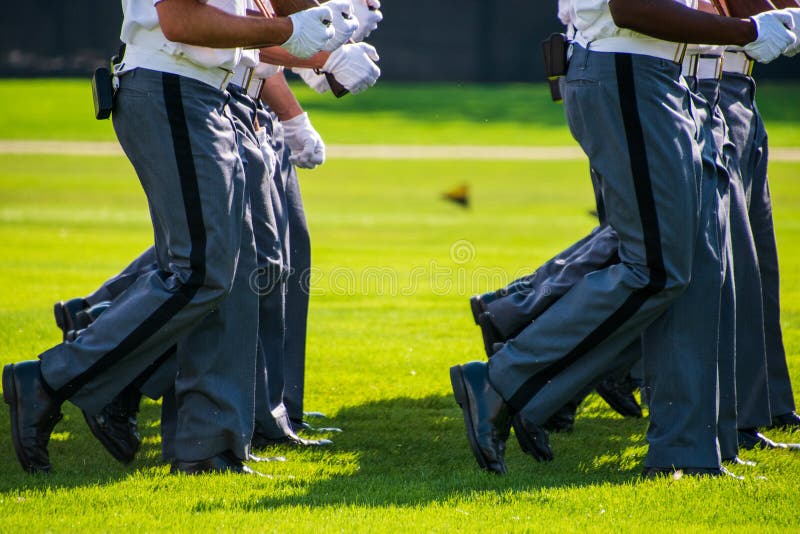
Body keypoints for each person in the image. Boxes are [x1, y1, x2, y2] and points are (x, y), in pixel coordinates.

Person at [449, 0, 796, 476]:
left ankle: (687, 452)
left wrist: (755, 26)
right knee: (656, 266)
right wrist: (747, 30)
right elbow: (632, 8)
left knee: (692, 267)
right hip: (628, 67)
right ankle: (507, 373)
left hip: (658, 73)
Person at [3, 0, 335, 475]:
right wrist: (291, 29)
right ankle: (55, 378)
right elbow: (181, 21)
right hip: (175, 82)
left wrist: (323, 16)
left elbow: (243, 10)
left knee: (230, 277)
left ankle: (207, 449)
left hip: (203, 92)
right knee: (200, 271)